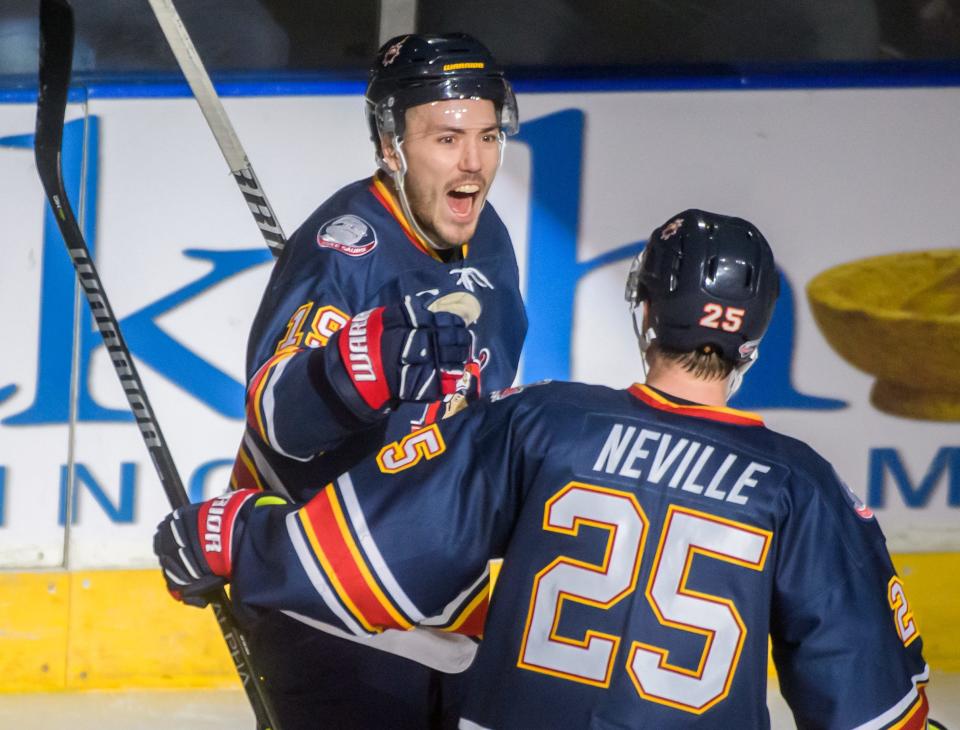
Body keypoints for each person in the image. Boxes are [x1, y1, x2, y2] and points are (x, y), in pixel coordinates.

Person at [157, 209, 930, 728]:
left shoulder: (542, 423)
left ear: (645, 310)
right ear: (755, 336)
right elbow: (868, 705)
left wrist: (232, 535)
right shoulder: (801, 486)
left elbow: (369, 560)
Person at [219, 33, 527, 729]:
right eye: (448, 140)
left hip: (446, 607)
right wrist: (359, 366)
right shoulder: (343, 251)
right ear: (391, 146)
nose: (475, 163)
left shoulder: (491, 236)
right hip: (332, 608)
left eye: (486, 136)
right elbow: (277, 417)